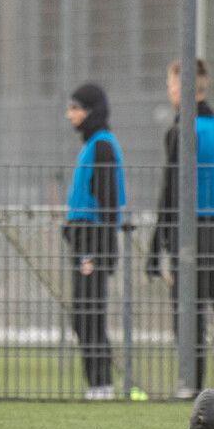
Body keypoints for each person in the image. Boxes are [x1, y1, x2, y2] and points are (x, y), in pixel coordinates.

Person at [146, 58, 214, 397]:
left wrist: (157, 249)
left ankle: (191, 389)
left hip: (191, 237)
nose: (169, 94)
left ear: (180, 88)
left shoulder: (182, 131)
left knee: (187, 318)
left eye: (170, 87)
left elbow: (170, 191)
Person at [63, 83, 125, 400]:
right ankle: (98, 383)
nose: (69, 115)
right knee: (85, 314)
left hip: (92, 242)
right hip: (85, 240)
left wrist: (101, 251)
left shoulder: (102, 146)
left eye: (74, 108)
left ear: (90, 111)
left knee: (89, 313)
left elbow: (108, 202)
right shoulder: (94, 145)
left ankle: (101, 385)